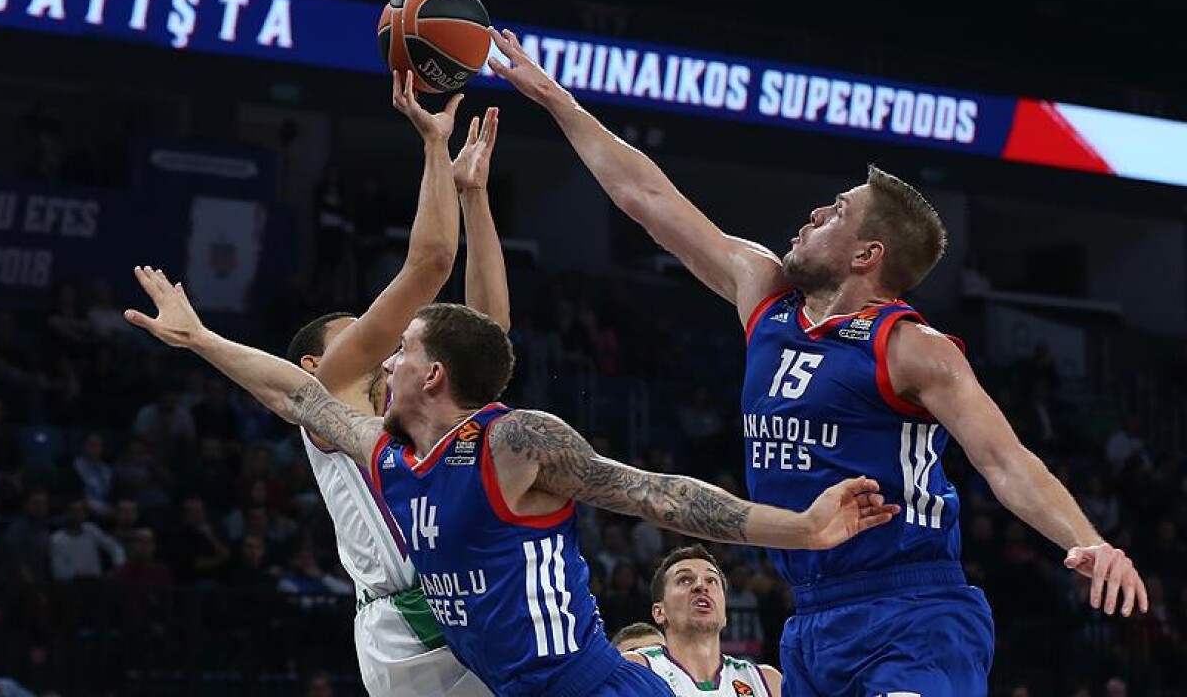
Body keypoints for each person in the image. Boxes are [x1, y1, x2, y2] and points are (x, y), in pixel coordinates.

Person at [484, 26, 1148, 695]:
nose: (813, 212)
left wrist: (1084, 540)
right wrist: (556, 99)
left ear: (867, 255)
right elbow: (648, 201)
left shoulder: (912, 347)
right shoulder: (765, 296)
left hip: (912, 613)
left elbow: (1005, 461)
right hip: (811, 620)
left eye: (836, 212)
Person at [124, 267, 897, 696]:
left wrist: (801, 528)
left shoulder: (515, 441)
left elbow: (654, 493)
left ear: (434, 374)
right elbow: (301, 396)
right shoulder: (392, 456)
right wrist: (200, 339)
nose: (385, 361)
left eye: (402, 351)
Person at [280, 70, 500, 696]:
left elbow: (489, 334)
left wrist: (474, 196)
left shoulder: (419, 408)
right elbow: (431, 262)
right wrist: (434, 144)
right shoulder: (329, 400)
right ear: (314, 368)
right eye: (360, 338)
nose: (380, 351)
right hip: (403, 619)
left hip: (467, 592)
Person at [625, 545, 781, 697]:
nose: (701, 586)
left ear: (724, 614)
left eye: (711, 580)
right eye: (685, 580)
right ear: (659, 612)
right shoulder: (637, 670)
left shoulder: (767, 682)